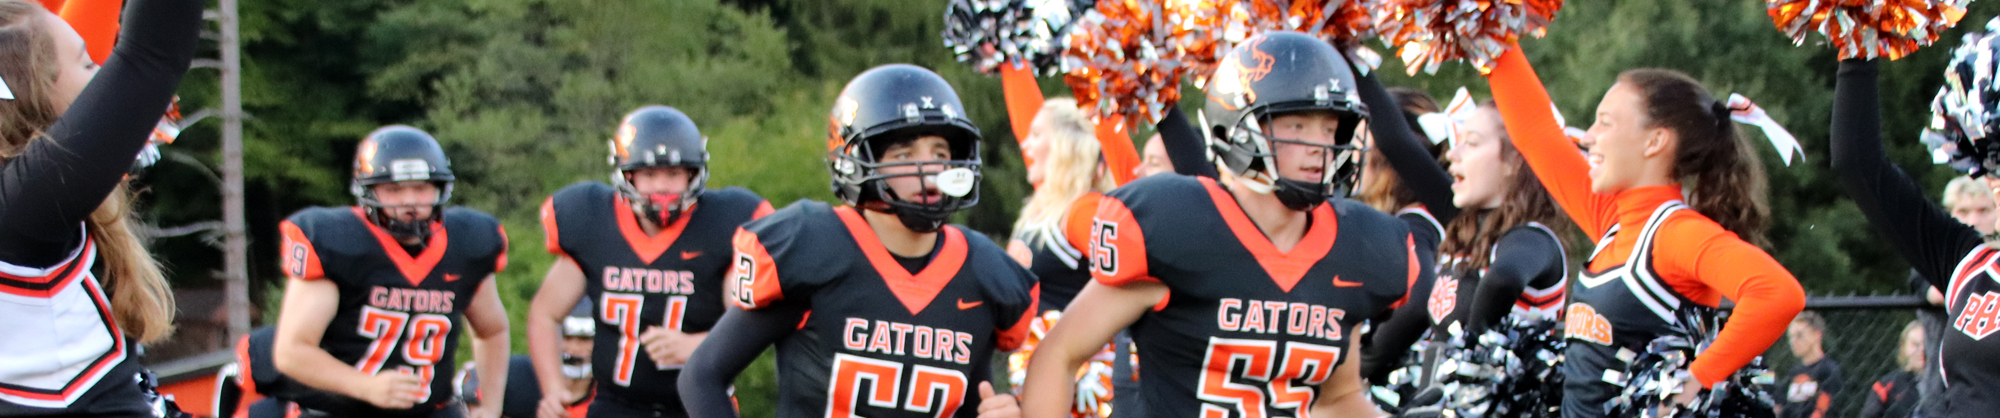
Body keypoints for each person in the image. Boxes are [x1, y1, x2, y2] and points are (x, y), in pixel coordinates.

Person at [1018, 31, 1421, 417]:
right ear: (1238, 126)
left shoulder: (1356, 247)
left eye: (1330, 128)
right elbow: (1060, 353)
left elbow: (1338, 398)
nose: (1319, 146)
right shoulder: (1178, 226)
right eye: (1297, 126)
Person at [677, 64, 1039, 418]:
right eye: (904, 155)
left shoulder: (982, 272)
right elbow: (701, 376)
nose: (928, 170)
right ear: (855, 162)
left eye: (940, 154)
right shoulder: (817, 249)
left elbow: (974, 400)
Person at [1487, 42, 1806, 417]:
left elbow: (1778, 295)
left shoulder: (1676, 234)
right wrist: (1487, 32)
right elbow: (1535, 132)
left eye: (1605, 122)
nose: (1588, 136)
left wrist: (1695, 381)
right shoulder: (1614, 221)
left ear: (1655, 141)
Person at [0, 0, 199, 414]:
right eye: (89, 63)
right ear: (34, 93)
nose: (103, 77)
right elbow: (153, 53)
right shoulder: (23, 209)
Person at [527, 105, 770, 418]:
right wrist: (553, 389)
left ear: (693, 174)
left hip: (700, 404)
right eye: (649, 174)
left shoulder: (723, 226)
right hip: (616, 405)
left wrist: (700, 345)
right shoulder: (594, 222)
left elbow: (750, 324)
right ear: (627, 175)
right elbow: (545, 313)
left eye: (673, 174)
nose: (662, 187)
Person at [270, 126, 512, 418]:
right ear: (368, 192)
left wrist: (490, 408)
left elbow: (493, 330)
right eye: (394, 190)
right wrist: (365, 386)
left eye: (421, 188)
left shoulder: (467, 244)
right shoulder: (338, 243)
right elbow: (291, 351)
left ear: (440, 188)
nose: (410, 201)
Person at [1826, 34, 2000, 415]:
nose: (1995, 179)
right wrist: (1859, 42)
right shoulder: (1968, 263)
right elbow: (1857, 163)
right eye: (1995, 164)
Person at [1002, 98, 1118, 417]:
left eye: (1036, 134)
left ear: (1065, 147)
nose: (1025, 143)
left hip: (1078, 388)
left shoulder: (1085, 211)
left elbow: (1134, 280)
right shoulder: (1041, 210)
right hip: (1035, 375)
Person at [1910, 176, 1992, 417]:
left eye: (1983, 210)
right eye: (1963, 211)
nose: (1973, 220)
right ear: (1948, 214)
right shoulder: (1937, 260)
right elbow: (1937, 291)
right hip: (1939, 395)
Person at [460, 302, 599, 418]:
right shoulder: (518, 379)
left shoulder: (610, 396)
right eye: (566, 337)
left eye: (585, 339)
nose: (573, 348)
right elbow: (470, 387)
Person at [1778, 312, 1843, 418]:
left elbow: (1824, 406)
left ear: (1816, 335)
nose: (1793, 342)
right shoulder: (1793, 372)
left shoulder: (1828, 369)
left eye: (1799, 335)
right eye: (1791, 337)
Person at [1860, 321, 1925, 418]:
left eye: (1926, 343)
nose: (1922, 350)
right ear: (1903, 347)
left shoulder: (1945, 383)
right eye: (1915, 344)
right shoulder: (1886, 385)